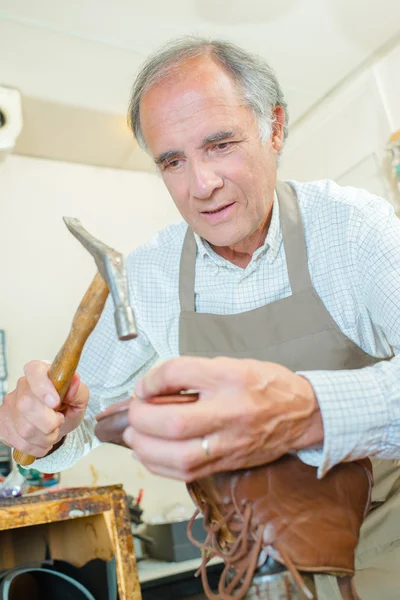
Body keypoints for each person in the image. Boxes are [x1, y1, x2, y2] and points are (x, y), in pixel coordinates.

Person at [2, 37, 400, 598]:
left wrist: (306, 411)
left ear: (275, 128)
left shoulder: (353, 230)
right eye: (172, 161)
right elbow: (78, 421)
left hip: (383, 547)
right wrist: (39, 429)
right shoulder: (150, 276)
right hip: (246, 565)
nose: (200, 186)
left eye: (220, 144)